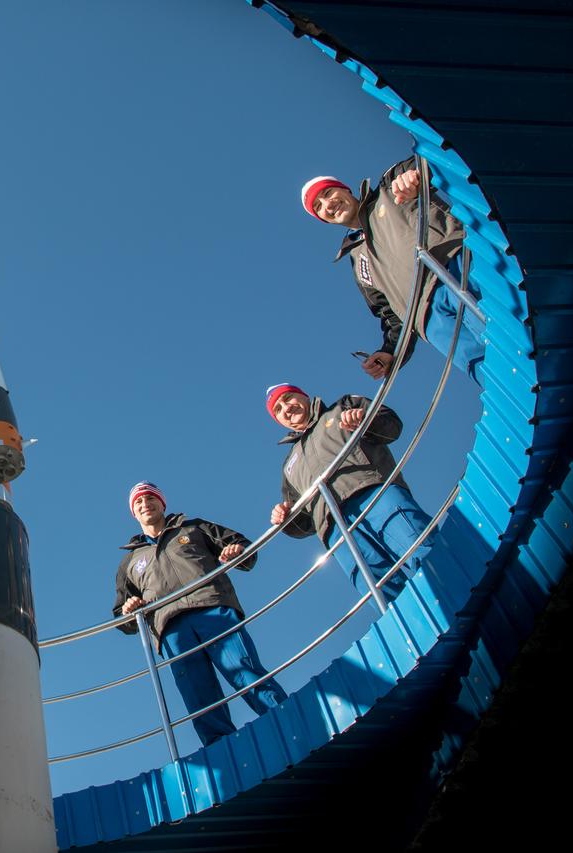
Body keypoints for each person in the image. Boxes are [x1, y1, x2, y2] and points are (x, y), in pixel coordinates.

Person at [113, 482, 287, 747]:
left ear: (162, 503)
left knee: (244, 670)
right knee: (199, 695)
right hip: (171, 631)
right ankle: (221, 749)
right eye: (138, 502)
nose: (145, 504)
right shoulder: (130, 562)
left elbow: (242, 547)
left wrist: (235, 552)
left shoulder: (193, 528)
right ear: (133, 513)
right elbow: (122, 615)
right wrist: (129, 609)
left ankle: (283, 717)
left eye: (150, 498)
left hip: (212, 608)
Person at [301, 158, 485, 385]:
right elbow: (389, 314)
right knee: (487, 371)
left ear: (345, 190)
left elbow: (433, 159)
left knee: (510, 334)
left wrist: (416, 176)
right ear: (323, 220)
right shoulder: (358, 262)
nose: (328, 204)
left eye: (328, 193)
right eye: (318, 207)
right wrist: (390, 351)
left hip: (454, 269)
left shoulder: (389, 188)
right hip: (430, 320)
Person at [266, 383, 433, 605]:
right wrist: (284, 519)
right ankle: (428, 631)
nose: (286, 408)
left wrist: (365, 420)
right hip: (335, 531)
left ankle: (470, 596)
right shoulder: (289, 466)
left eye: (288, 398)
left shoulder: (342, 407)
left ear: (303, 396)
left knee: (421, 548)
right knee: (381, 591)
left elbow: (391, 425)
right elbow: (303, 522)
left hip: (374, 495)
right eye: (278, 409)